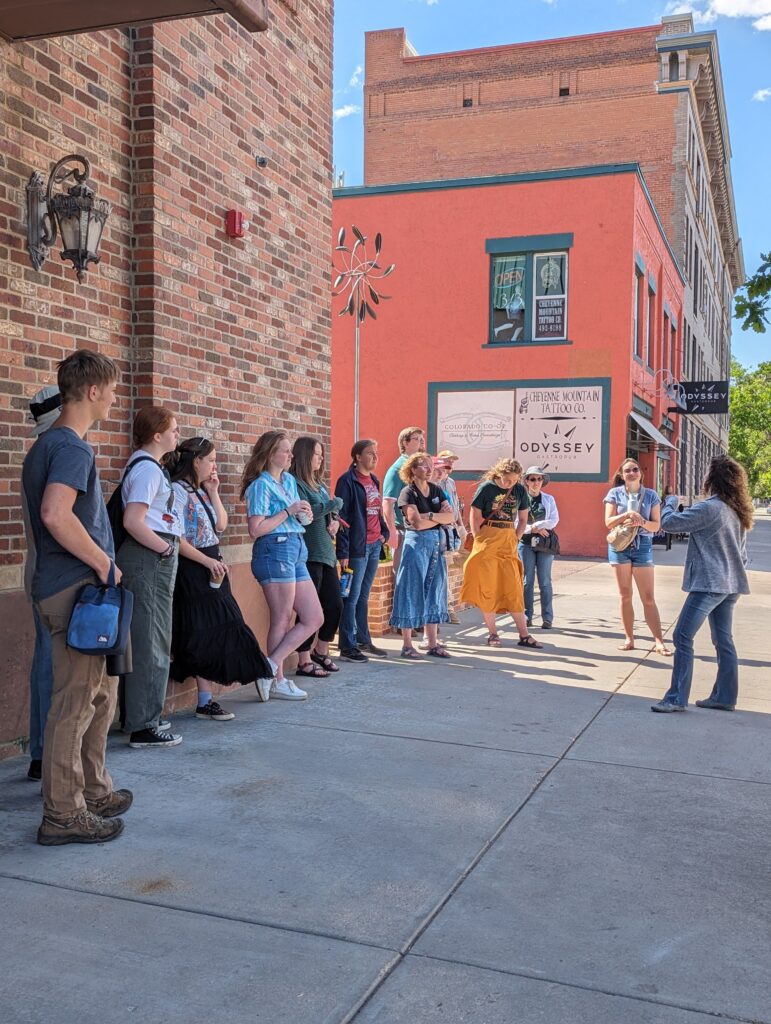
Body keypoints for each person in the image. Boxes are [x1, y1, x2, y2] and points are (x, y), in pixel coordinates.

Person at [22, 349, 129, 845]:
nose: (114, 399)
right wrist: (104, 563)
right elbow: (55, 514)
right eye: (111, 390)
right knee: (76, 703)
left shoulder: (49, 446)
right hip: (74, 591)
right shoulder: (71, 448)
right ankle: (63, 814)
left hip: (66, 588)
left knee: (100, 695)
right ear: (92, 391)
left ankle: (94, 791)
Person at [166, 436, 273, 714]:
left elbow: (221, 525)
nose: (215, 465)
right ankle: (205, 700)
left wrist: (213, 491)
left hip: (214, 564)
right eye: (211, 460)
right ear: (196, 461)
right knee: (204, 630)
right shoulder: (177, 490)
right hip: (194, 567)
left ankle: (246, 678)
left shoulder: (200, 490)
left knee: (226, 623)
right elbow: (176, 538)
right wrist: (205, 561)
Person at [651, 455, 753, 713]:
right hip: (731, 584)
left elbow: (669, 523)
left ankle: (676, 698)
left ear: (713, 478)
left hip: (709, 583)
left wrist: (670, 502)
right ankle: (725, 697)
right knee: (723, 640)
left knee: (682, 636)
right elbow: (742, 554)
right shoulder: (736, 510)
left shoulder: (711, 508)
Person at [118, 406, 184, 748]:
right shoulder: (147, 469)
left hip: (151, 556)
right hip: (150, 557)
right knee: (151, 639)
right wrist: (165, 549)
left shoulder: (148, 466)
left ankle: (142, 716)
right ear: (156, 435)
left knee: (151, 636)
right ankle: (144, 724)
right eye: (173, 430)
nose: (177, 435)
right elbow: (133, 520)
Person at [242, 430, 323, 700]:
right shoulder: (260, 485)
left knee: (314, 616)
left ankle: (269, 665)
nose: (291, 455)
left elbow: (295, 518)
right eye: (286, 451)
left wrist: (304, 514)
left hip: (296, 545)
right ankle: (276, 680)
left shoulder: (288, 480)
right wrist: (288, 511)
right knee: (282, 617)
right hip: (274, 548)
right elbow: (256, 529)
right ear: (270, 454)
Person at [22, 385, 61, 781]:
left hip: (39, 569)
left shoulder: (39, 453)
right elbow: (56, 519)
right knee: (54, 666)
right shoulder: (55, 453)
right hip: (53, 574)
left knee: (45, 662)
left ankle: (40, 753)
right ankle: (47, 755)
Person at [461, 458, 543, 649]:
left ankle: (524, 635)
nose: (510, 484)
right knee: (488, 587)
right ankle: (493, 633)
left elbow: (523, 518)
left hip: (508, 540)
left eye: (514, 480)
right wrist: (479, 538)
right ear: (499, 474)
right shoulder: (487, 488)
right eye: (507, 480)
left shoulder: (519, 490)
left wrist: (516, 538)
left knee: (513, 589)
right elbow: (474, 514)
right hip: (488, 538)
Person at [603, 457, 671, 656]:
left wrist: (641, 521)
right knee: (625, 595)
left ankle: (659, 641)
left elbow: (656, 526)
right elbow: (608, 522)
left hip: (643, 546)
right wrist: (627, 515)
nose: (631, 473)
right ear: (621, 475)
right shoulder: (614, 493)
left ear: (640, 473)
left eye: (634, 469)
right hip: (620, 547)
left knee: (648, 597)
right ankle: (629, 638)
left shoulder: (650, 495)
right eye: (627, 471)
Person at [390, 452, 454, 658]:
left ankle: (432, 643)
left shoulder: (436, 489)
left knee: (435, 590)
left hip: (436, 544)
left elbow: (450, 517)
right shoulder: (408, 492)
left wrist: (430, 515)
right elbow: (415, 523)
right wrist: (437, 518)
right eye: (424, 465)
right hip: (416, 544)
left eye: (430, 465)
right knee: (411, 589)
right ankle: (407, 645)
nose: (429, 469)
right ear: (412, 469)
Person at [290, 436, 344, 677]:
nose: (321, 459)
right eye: (316, 455)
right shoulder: (295, 483)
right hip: (309, 554)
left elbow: (329, 512)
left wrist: (335, 521)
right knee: (308, 610)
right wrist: (333, 505)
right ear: (304, 455)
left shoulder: (319, 484)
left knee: (335, 605)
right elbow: (306, 516)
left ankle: (320, 651)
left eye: (322, 455)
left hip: (327, 553)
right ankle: (303, 660)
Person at [335, 439, 390, 662]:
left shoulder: (374, 480)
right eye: (369, 453)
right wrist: (343, 551)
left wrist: (384, 532)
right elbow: (341, 517)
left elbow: (376, 510)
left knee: (364, 596)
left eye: (376, 453)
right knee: (351, 597)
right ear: (357, 456)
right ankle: (347, 646)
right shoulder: (347, 481)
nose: (375, 457)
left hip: (375, 545)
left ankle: (363, 640)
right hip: (357, 548)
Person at [518, 466, 559, 629]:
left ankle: (547, 618)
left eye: (539, 479)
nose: (536, 482)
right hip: (525, 543)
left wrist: (538, 526)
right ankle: (527, 616)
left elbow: (554, 519)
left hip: (544, 544)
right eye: (533, 479)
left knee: (545, 581)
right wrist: (532, 529)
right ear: (527, 481)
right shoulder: (521, 499)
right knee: (527, 581)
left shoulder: (549, 499)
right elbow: (516, 522)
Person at [382, 426, 425, 577]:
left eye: (422, 439)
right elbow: (387, 503)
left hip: (418, 529)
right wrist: (392, 532)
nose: (421, 443)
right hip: (403, 531)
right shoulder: (397, 469)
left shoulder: (416, 468)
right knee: (403, 576)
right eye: (417, 439)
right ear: (405, 443)